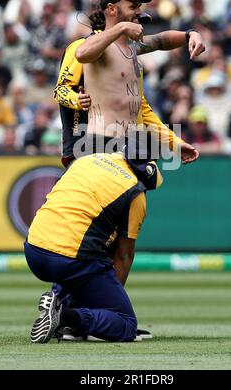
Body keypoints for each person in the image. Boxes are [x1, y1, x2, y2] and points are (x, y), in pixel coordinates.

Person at [24, 134, 163, 343]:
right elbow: (124, 256)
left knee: (87, 246)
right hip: (70, 260)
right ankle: (65, 316)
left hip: (33, 248)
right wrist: (106, 306)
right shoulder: (136, 192)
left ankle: (59, 302)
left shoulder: (87, 160)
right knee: (125, 324)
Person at [54, 0, 205, 167]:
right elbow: (60, 90)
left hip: (127, 147)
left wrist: (190, 34)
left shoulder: (131, 51)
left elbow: (159, 41)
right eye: (133, 6)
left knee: (147, 180)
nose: (139, 12)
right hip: (90, 146)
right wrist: (77, 100)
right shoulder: (82, 45)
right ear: (112, 9)